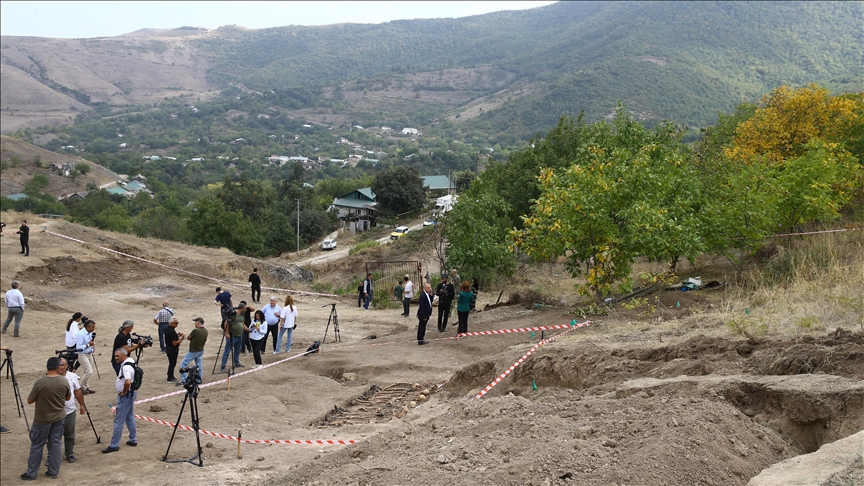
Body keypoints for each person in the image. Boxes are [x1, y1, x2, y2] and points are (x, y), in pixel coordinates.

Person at [22, 356, 70, 480]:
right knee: (55, 444)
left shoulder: (41, 382)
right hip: (59, 417)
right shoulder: (64, 381)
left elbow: (30, 401)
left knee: (37, 445)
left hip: (42, 419)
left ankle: (31, 473)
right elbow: (68, 397)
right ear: (58, 367)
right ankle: (53, 472)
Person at [102, 348, 138, 453]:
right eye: (115, 356)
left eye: (118, 356)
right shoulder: (131, 361)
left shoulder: (126, 367)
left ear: (124, 355)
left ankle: (114, 445)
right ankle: (133, 439)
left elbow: (127, 382)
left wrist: (124, 392)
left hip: (126, 396)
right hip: (131, 394)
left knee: (118, 421)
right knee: (130, 417)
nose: (116, 358)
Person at [58, 357, 87, 464]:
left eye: (62, 365)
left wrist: (82, 405)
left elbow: (77, 391)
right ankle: (51, 456)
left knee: (70, 434)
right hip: (56, 411)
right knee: (54, 436)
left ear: (67, 366)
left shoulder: (72, 376)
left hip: (70, 410)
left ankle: (69, 453)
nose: (60, 367)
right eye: (59, 364)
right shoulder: (51, 377)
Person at [178, 317, 208, 386]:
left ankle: (184, 380)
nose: (195, 324)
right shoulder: (206, 331)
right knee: (199, 365)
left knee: (183, 364)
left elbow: (189, 337)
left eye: (195, 322)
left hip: (193, 351)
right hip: (200, 350)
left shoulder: (195, 331)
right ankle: (198, 379)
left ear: (198, 323)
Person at [220, 302, 245, 373]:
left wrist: (249, 330)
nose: (245, 310)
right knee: (227, 350)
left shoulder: (242, 315)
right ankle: (223, 366)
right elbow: (226, 323)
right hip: (232, 335)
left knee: (237, 350)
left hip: (239, 335)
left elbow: (243, 324)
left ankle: (236, 362)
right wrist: (227, 333)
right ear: (242, 308)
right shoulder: (233, 314)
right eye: (245, 309)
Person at [75, 319, 97, 394]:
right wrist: (88, 345)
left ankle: (86, 387)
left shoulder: (90, 333)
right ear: (87, 327)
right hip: (82, 354)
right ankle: (79, 387)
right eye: (92, 327)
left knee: (86, 371)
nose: (93, 329)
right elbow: (78, 347)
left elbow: (91, 341)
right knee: (89, 371)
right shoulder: (81, 334)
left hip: (89, 353)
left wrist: (93, 345)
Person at [164, 317, 183, 383]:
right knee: (172, 363)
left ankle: (170, 375)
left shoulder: (167, 329)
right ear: (171, 323)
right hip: (172, 349)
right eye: (176, 323)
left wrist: (176, 336)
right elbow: (175, 343)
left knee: (171, 363)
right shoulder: (172, 332)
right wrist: (181, 338)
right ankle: (170, 377)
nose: (177, 325)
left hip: (168, 348)